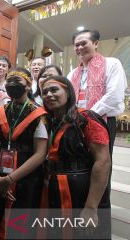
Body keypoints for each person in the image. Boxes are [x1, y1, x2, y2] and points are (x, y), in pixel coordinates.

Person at [41, 75, 111, 239]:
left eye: (54, 89)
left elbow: (103, 161)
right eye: (45, 92)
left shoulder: (87, 118)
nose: (49, 95)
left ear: (67, 92)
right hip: (53, 188)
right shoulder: (49, 121)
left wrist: (91, 207)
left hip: (79, 191)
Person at [0, 68, 48, 240]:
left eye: (17, 81)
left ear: (28, 85)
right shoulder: (1, 110)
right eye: (9, 81)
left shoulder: (38, 114)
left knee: (20, 223)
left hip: (26, 177)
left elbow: (40, 154)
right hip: (0, 172)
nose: (12, 85)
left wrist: (9, 179)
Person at [67, 29, 128, 155]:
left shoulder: (111, 64)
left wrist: (87, 116)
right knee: (80, 159)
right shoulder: (73, 74)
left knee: (101, 162)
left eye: (84, 43)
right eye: (76, 45)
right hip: (76, 122)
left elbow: (114, 96)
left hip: (103, 119)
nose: (80, 47)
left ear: (95, 43)